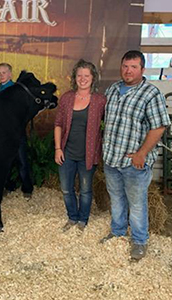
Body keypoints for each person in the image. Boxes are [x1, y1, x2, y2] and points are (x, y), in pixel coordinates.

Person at [100, 50, 171, 260]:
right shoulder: (112, 89)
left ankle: (139, 241)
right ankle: (118, 232)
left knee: (137, 204)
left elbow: (159, 127)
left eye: (133, 67)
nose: (128, 70)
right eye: (125, 66)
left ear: (142, 69)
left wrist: (142, 153)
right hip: (112, 158)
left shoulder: (151, 93)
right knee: (116, 199)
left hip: (134, 162)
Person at [54, 59, 106, 231]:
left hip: (88, 155)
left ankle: (83, 219)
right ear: (74, 78)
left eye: (86, 75)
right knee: (66, 189)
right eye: (79, 75)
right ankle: (72, 217)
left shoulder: (100, 100)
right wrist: (58, 148)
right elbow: (58, 124)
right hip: (67, 153)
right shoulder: (67, 98)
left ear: (93, 78)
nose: (83, 79)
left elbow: (109, 125)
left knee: (85, 190)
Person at [0, 63, 33, 198]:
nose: (1, 75)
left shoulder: (16, 90)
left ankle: (27, 189)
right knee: (6, 161)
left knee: (22, 161)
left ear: (10, 74)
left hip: (17, 132)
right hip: (3, 133)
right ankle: (8, 186)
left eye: (4, 72)